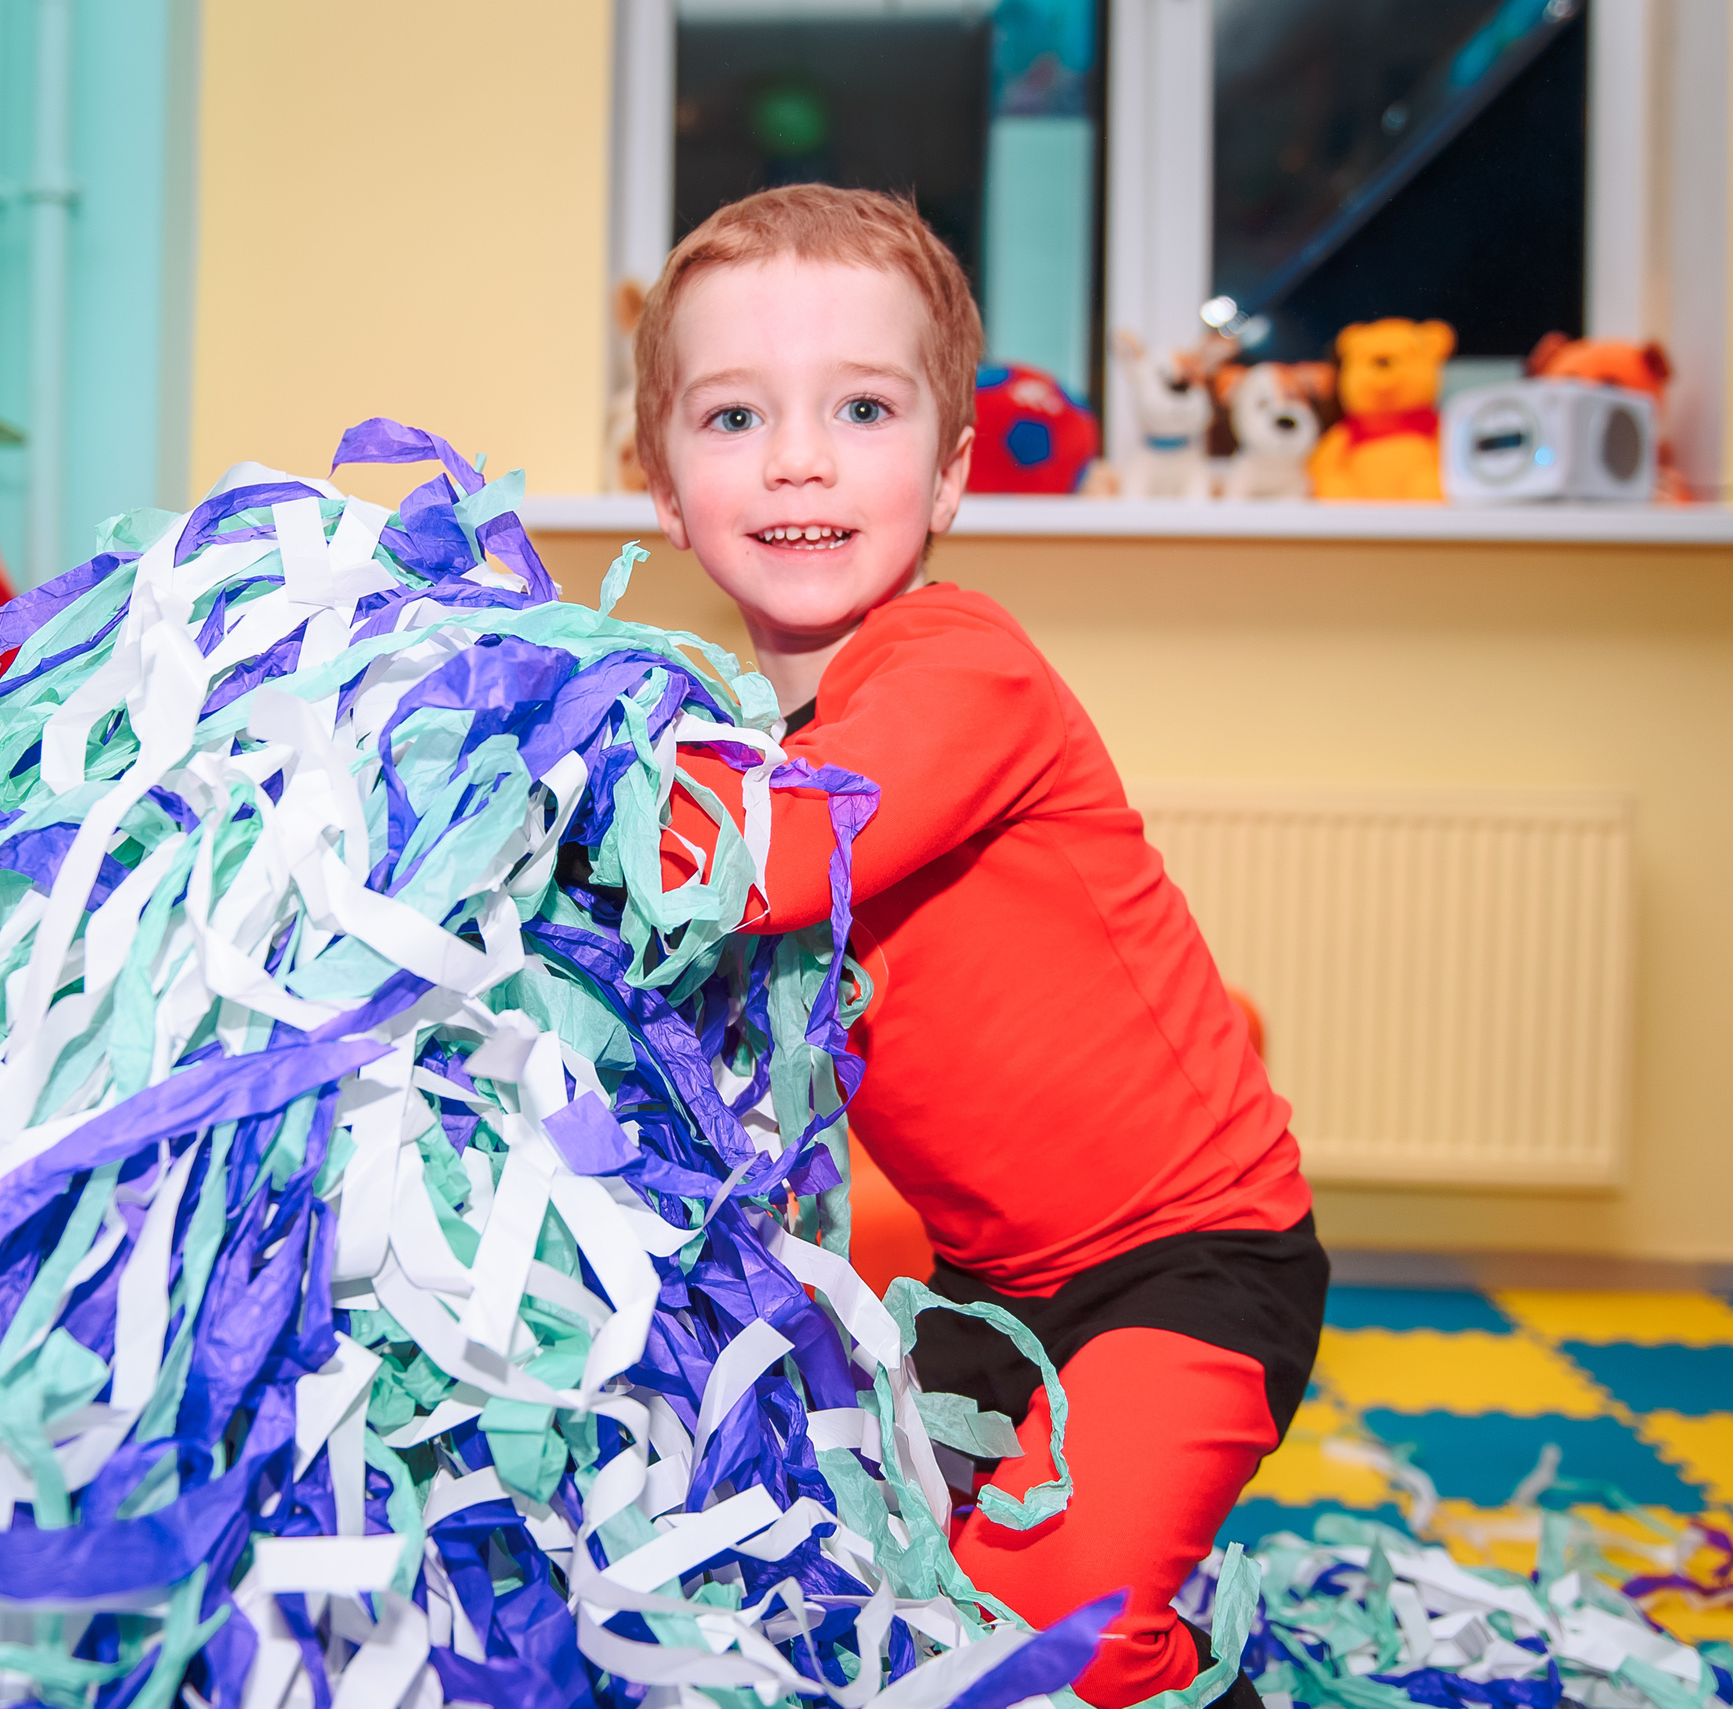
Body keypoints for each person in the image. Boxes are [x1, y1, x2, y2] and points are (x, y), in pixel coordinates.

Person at [634, 184, 1327, 1709]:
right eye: (736, 415)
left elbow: (778, 853)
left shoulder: (963, 666)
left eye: (862, 409)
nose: (800, 457)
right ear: (662, 484)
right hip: (985, 1297)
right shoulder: (745, 738)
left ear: (950, 471)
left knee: (1047, 1635)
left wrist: (521, 773)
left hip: (1189, 1266)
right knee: (881, 1604)